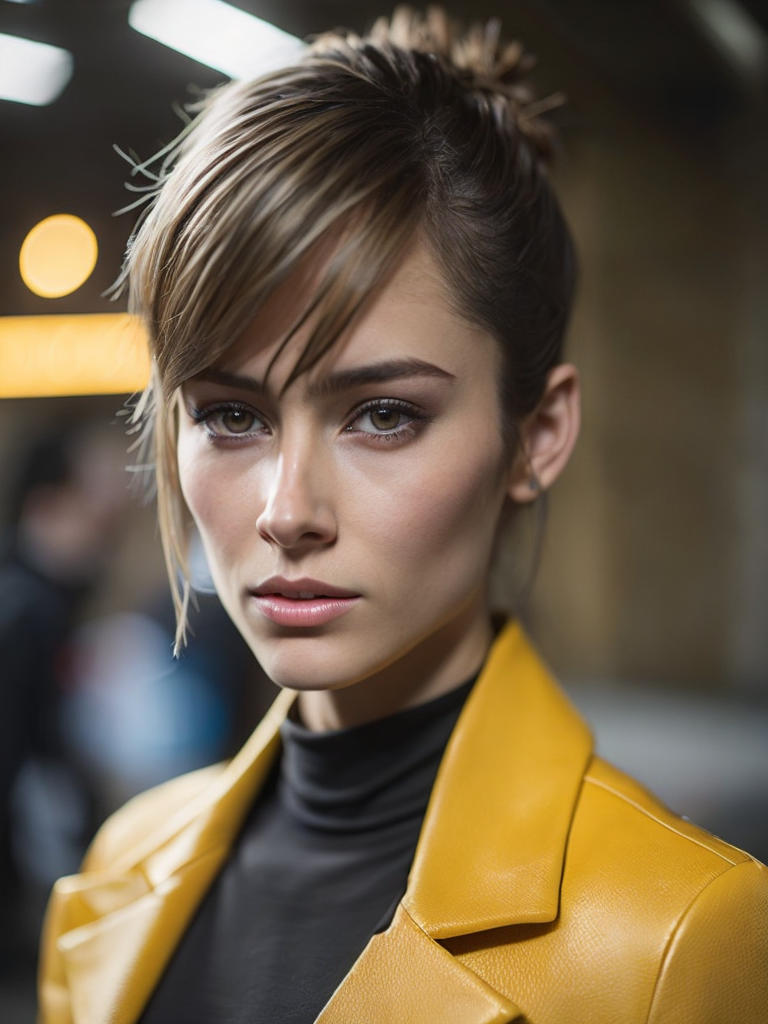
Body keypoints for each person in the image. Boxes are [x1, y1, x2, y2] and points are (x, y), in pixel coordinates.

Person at [38, 8, 768, 1023]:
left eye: (384, 414)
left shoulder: (672, 938)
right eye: (229, 414)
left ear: (537, 433)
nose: (288, 510)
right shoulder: (116, 874)